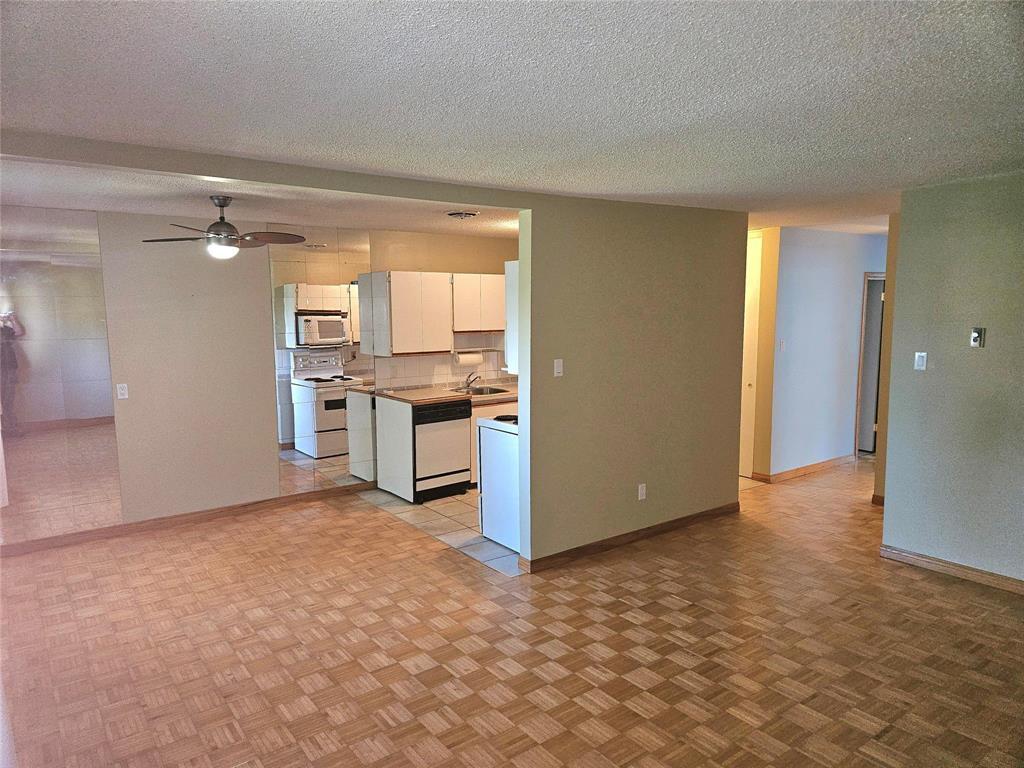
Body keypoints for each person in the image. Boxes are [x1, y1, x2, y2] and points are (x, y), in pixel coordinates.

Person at [1, 312, 25, 436]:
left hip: (9, 369)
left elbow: (20, 332)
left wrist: (13, 319)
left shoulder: (6, 330)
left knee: (8, 400)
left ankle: (10, 428)